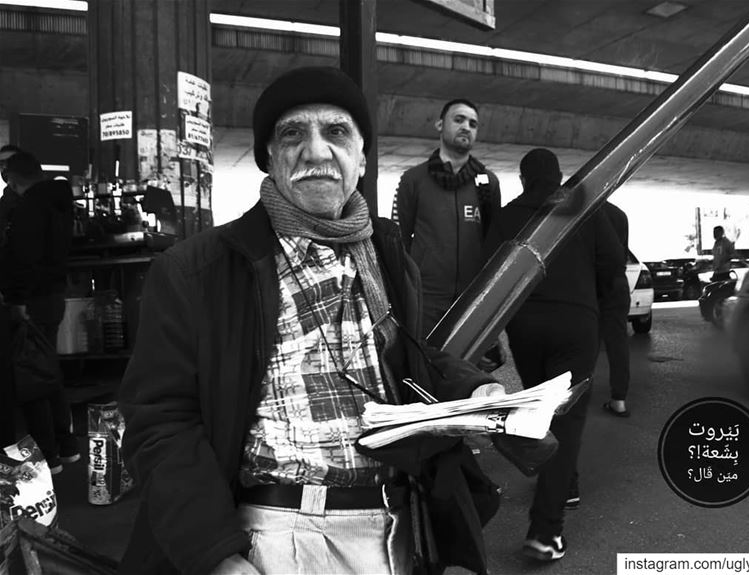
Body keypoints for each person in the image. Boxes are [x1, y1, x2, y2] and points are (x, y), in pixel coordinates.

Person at [117, 66, 507, 575]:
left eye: (337, 132)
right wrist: (213, 556)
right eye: (293, 134)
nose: (318, 151)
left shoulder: (386, 252)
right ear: (270, 157)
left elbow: (410, 358)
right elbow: (160, 421)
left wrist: (474, 390)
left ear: (361, 155)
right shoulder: (199, 270)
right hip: (278, 535)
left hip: (398, 525)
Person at [483, 148, 624, 562]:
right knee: (567, 418)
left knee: (544, 412)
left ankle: (568, 482)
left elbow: (490, 270)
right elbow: (613, 262)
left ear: (524, 180)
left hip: (526, 326)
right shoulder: (583, 211)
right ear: (559, 176)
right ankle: (546, 532)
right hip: (576, 323)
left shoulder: (510, 215)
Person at [392, 98, 501, 337]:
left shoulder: (488, 182)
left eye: (473, 124)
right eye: (459, 119)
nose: (466, 127)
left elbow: (493, 241)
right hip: (425, 299)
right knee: (424, 365)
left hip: (472, 298)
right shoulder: (413, 180)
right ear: (440, 125)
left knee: (467, 369)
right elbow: (399, 240)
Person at [0, 150, 78, 474]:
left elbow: (24, 259)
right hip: (53, 295)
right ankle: (67, 445)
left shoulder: (30, 208)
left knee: (30, 377)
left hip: (33, 300)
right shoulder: (58, 202)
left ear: (14, 180)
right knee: (47, 371)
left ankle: (49, 457)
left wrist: (16, 300)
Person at [598, 202, 632, 418]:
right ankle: (619, 400)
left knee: (580, 344)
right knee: (618, 344)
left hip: (591, 285)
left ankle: (571, 399)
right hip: (618, 284)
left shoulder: (583, 214)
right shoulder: (619, 214)